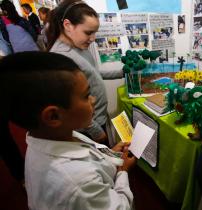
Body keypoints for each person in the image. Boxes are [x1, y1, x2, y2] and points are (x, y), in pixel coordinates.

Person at [0, 51, 136, 210]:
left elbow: (86, 151)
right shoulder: (78, 182)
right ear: (53, 116)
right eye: (86, 96)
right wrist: (122, 173)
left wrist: (110, 155)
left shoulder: (53, 135)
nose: (93, 100)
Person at [47, 0, 123, 145]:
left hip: (97, 118)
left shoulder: (79, 47)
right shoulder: (61, 58)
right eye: (88, 33)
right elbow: (69, 104)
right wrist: (95, 130)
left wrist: (121, 72)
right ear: (68, 26)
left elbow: (93, 73)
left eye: (94, 33)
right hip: (87, 128)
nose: (93, 39)